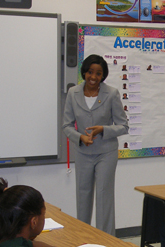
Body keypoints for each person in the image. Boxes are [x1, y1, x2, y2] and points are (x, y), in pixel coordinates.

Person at [62, 54, 129, 236]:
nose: (93, 77)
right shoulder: (73, 93)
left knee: (104, 196)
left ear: (103, 76)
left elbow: (124, 126)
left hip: (106, 153)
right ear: (84, 72)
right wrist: (80, 137)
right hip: (83, 152)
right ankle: (82, 238)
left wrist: (103, 129)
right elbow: (66, 126)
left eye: (98, 73)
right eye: (90, 72)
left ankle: (106, 240)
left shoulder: (112, 93)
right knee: (83, 196)